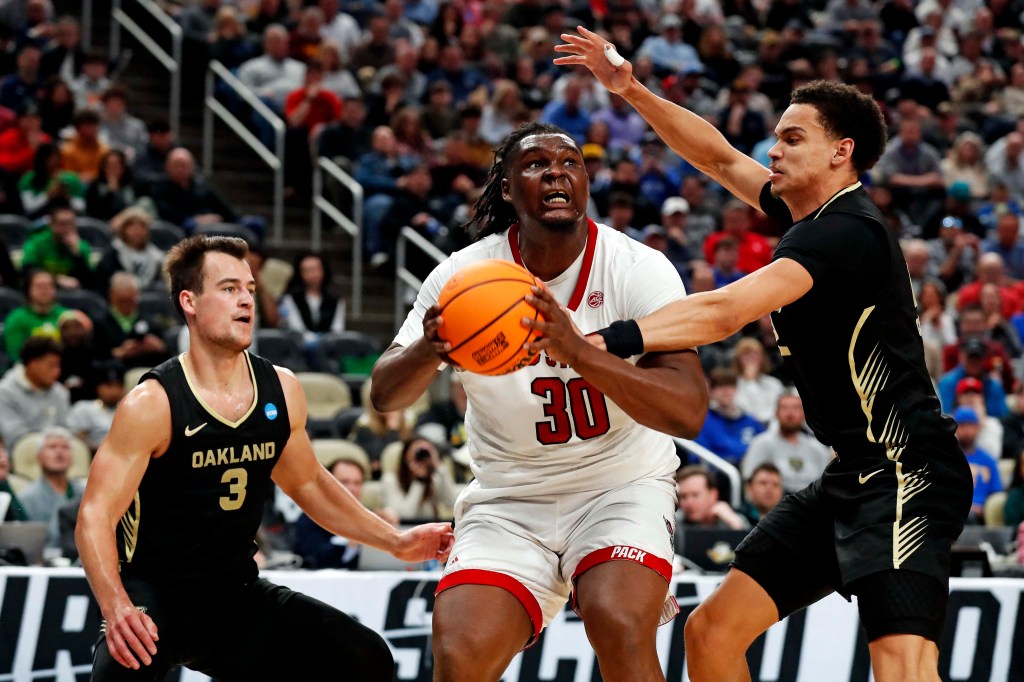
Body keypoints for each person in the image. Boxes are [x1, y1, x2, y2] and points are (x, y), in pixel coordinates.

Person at [550, 34, 973, 681]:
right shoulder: (809, 219)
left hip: (908, 473)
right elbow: (718, 158)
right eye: (775, 137)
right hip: (851, 474)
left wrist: (604, 342)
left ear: (842, 151)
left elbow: (725, 311)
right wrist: (630, 90)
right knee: (712, 633)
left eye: (792, 138)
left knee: (903, 668)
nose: (773, 149)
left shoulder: (847, 232)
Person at [371, 122, 707, 681]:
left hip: (618, 486)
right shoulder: (463, 277)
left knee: (618, 621)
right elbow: (385, 393)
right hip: (509, 497)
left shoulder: (638, 269)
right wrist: (430, 348)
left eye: (570, 163)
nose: (556, 172)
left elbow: (688, 410)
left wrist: (578, 350)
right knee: (459, 654)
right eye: (535, 164)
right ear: (507, 189)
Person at [75, 235, 453, 679]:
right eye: (229, 288)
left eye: (250, 289)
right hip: (155, 596)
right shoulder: (152, 403)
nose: (246, 301)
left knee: (364, 657)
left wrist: (395, 540)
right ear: (189, 302)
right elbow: (95, 516)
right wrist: (115, 603)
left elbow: (309, 483)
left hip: (236, 595)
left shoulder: (281, 388)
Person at [741, 393, 833, 493]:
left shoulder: (818, 448)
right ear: (776, 413)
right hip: (777, 505)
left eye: (796, 408)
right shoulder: (760, 444)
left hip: (813, 504)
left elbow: (827, 485)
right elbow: (750, 484)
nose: (790, 414)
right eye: (784, 408)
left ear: (804, 413)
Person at [0, 336, 70, 448]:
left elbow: (66, 430)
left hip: (58, 457)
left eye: (58, 366)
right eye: (51, 366)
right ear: (33, 364)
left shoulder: (60, 392)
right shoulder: (4, 392)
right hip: (18, 459)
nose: (57, 371)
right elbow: (13, 435)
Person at [380, 435, 459, 521]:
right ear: (405, 457)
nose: (421, 457)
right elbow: (405, 516)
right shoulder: (390, 481)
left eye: (426, 452)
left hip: (431, 529)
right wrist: (419, 480)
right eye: (417, 452)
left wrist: (438, 466)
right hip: (405, 530)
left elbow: (453, 503)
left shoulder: (435, 479)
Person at [953, 405, 1003, 525]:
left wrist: (983, 506)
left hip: (980, 517)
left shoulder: (988, 460)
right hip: (952, 512)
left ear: (978, 428)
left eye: (971, 425)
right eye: (962, 425)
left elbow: (996, 492)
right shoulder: (948, 457)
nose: (967, 430)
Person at [676, 465, 750, 530]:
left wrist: (734, 522)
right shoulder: (674, 522)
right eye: (683, 496)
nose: (689, 502)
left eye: (695, 495)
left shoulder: (730, 520)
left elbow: (753, 544)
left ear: (713, 494)